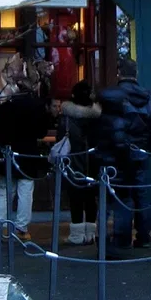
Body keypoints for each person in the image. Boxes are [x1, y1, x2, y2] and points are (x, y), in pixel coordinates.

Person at [95, 59, 151, 251]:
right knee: (143, 193)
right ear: (136, 74)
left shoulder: (114, 97)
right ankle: (144, 235)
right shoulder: (147, 97)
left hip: (120, 151)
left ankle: (122, 238)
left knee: (123, 194)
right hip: (142, 151)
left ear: (119, 73)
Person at [0, 83, 53, 239]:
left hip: (7, 152)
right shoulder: (37, 105)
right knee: (25, 191)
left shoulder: (5, 106)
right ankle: (21, 228)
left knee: (5, 191)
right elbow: (41, 132)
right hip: (28, 153)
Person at [57, 80, 102, 244]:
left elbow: (60, 140)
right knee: (91, 198)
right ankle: (91, 232)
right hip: (94, 162)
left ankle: (76, 234)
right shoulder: (98, 118)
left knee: (75, 198)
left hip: (73, 162)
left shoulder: (67, 119)